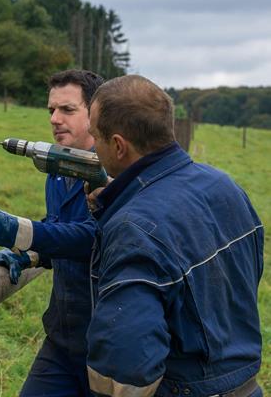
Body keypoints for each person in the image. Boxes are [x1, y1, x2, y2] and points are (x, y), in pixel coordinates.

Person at [85, 74, 264, 396]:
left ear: (117, 145)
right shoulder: (225, 186)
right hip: (246, 386)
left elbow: (127, 365)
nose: (92, 146)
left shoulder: (134, 228)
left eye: (94, 136)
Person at [0, 69, 104, 396]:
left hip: (107, 346)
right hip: (63, 338)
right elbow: (58, 230)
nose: (55, 119)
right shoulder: (58, 172)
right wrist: (27, 255)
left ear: (97, 113)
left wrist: (11, 229)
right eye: (51, 110)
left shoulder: (111, 175)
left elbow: (91, 239)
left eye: (68, 110)